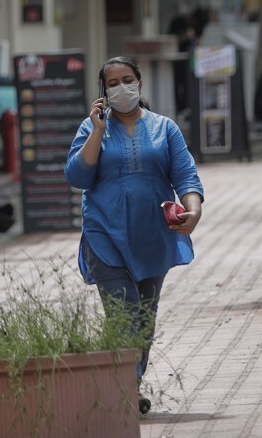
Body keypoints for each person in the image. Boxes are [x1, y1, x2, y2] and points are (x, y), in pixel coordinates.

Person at [65, 55, 204, 412]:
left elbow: (185, 175)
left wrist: (193, 209)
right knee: (124, 313)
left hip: (152, 237)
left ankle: (130, 383)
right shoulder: (91, 128)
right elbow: (78, 177)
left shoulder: (164, 128)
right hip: (105, 235)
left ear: (139, 84)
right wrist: (97, 131)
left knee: (144, 315)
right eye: (112, 83)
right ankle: (126, 392)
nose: (120, 87)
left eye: (126, 80)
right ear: (103, 90)